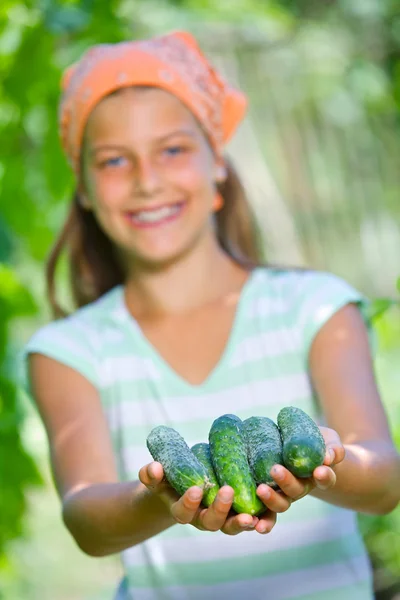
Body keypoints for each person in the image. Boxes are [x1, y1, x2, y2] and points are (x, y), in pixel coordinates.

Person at [23, 30, 400, 600]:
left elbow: (386, 483)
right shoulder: (69, 350)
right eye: (114, 160)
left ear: (217, 163)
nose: (147, 180)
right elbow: (86, 520)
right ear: (83, 189)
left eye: (172, 149)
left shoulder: (315, 307)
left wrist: (319, 464)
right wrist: (159, 497)